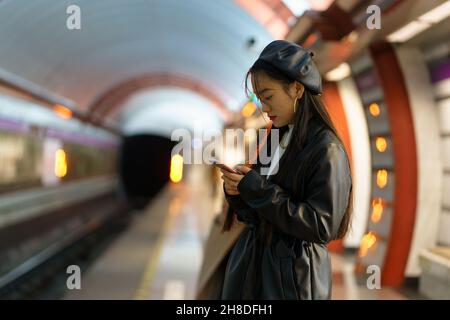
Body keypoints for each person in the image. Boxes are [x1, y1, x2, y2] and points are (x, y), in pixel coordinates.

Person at [219, 40, 353, 300]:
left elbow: (321, 226)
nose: (264, 108)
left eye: (268, 97)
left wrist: (257, 188)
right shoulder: (273, 138)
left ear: (297, 89)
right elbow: (258, 213)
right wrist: (237, 191)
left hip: (293, 279)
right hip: (258, 270)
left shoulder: (327, 149)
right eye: (260, 99)